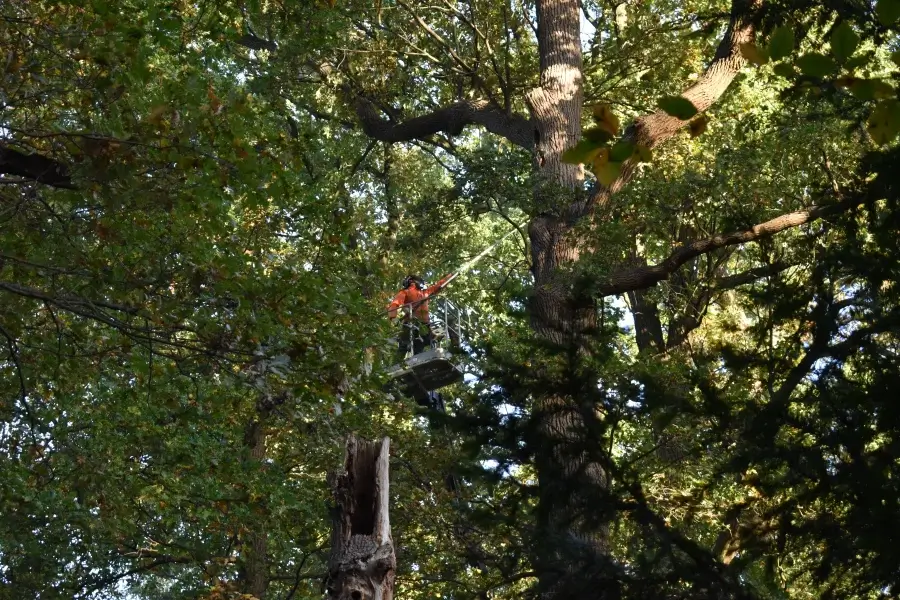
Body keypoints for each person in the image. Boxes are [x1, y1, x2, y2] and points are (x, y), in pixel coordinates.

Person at [387, 273, 452, 358]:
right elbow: (394, 304)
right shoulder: (410, 292)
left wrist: (450, 276)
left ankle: (412, 360)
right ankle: (398, 364)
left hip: (423, 326)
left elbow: (439, 286)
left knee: (415, 346)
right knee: (406, 346)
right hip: (411, 324)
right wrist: (393, 317)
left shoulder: (424, 293)